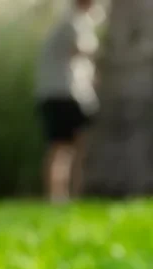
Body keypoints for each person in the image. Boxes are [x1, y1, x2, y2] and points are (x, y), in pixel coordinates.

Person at [34, 0, 101, 203]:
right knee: (62, 148)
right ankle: (59, 196)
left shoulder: (73, 23)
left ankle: (68, 196)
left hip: (64, 95)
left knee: (71, 149)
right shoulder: (72, 24)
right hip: (64, 95)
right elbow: (82, 51)